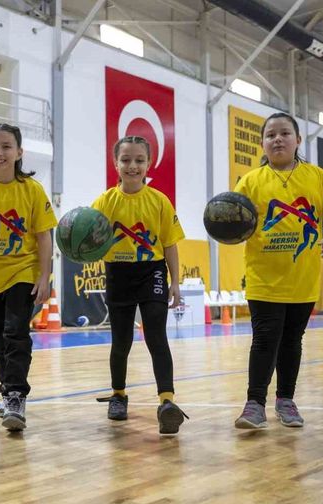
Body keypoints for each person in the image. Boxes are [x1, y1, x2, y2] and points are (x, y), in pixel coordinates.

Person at [233, 112, 323, 429]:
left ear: (298, 140)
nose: (278, 139)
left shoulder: (317, 177)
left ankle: (286, 401)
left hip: (303, 277)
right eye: (271, 135)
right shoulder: (250, 181)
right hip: (263, 277)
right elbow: (234, 222)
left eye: (285, 133)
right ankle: (254, 404)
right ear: (263, 143)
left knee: (292, 340)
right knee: (264, 339)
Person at [92, 135, 189, 435]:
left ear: (149, 163)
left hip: (152, 273)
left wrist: (175, 282)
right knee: (120, 342)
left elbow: (170, 244)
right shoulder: (105, 202)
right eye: (126, 160)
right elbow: (90, 238)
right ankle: (119, 395)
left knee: (156, 337)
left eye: (139, 160)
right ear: (115, 163)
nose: (132, 166)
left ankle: (167, 401)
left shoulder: (159, 201)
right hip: (118, 273)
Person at [0, 123, 57, 432]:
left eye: (6, 146)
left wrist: (45, 276)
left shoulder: (32, 190)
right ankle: (7, 391)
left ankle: (17, 395)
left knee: (15, 333)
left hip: (23, 271)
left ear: (20, 152)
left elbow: (44, 236)